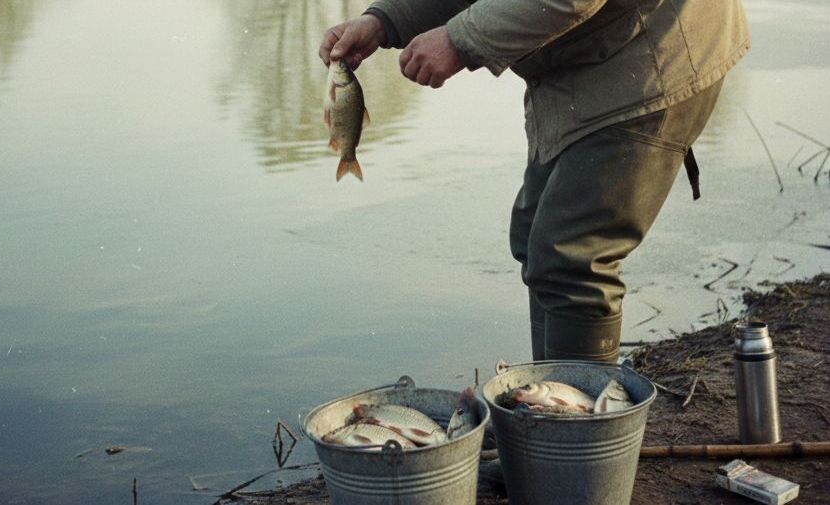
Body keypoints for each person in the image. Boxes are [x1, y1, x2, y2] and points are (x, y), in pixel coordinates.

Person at [319, 0, 749, 363]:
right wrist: (383, 20)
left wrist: (460, 39)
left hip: (654, 54)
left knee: (571, 257)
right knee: (537, 242)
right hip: (588, 61)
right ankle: (548, 411)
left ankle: (575, 437)